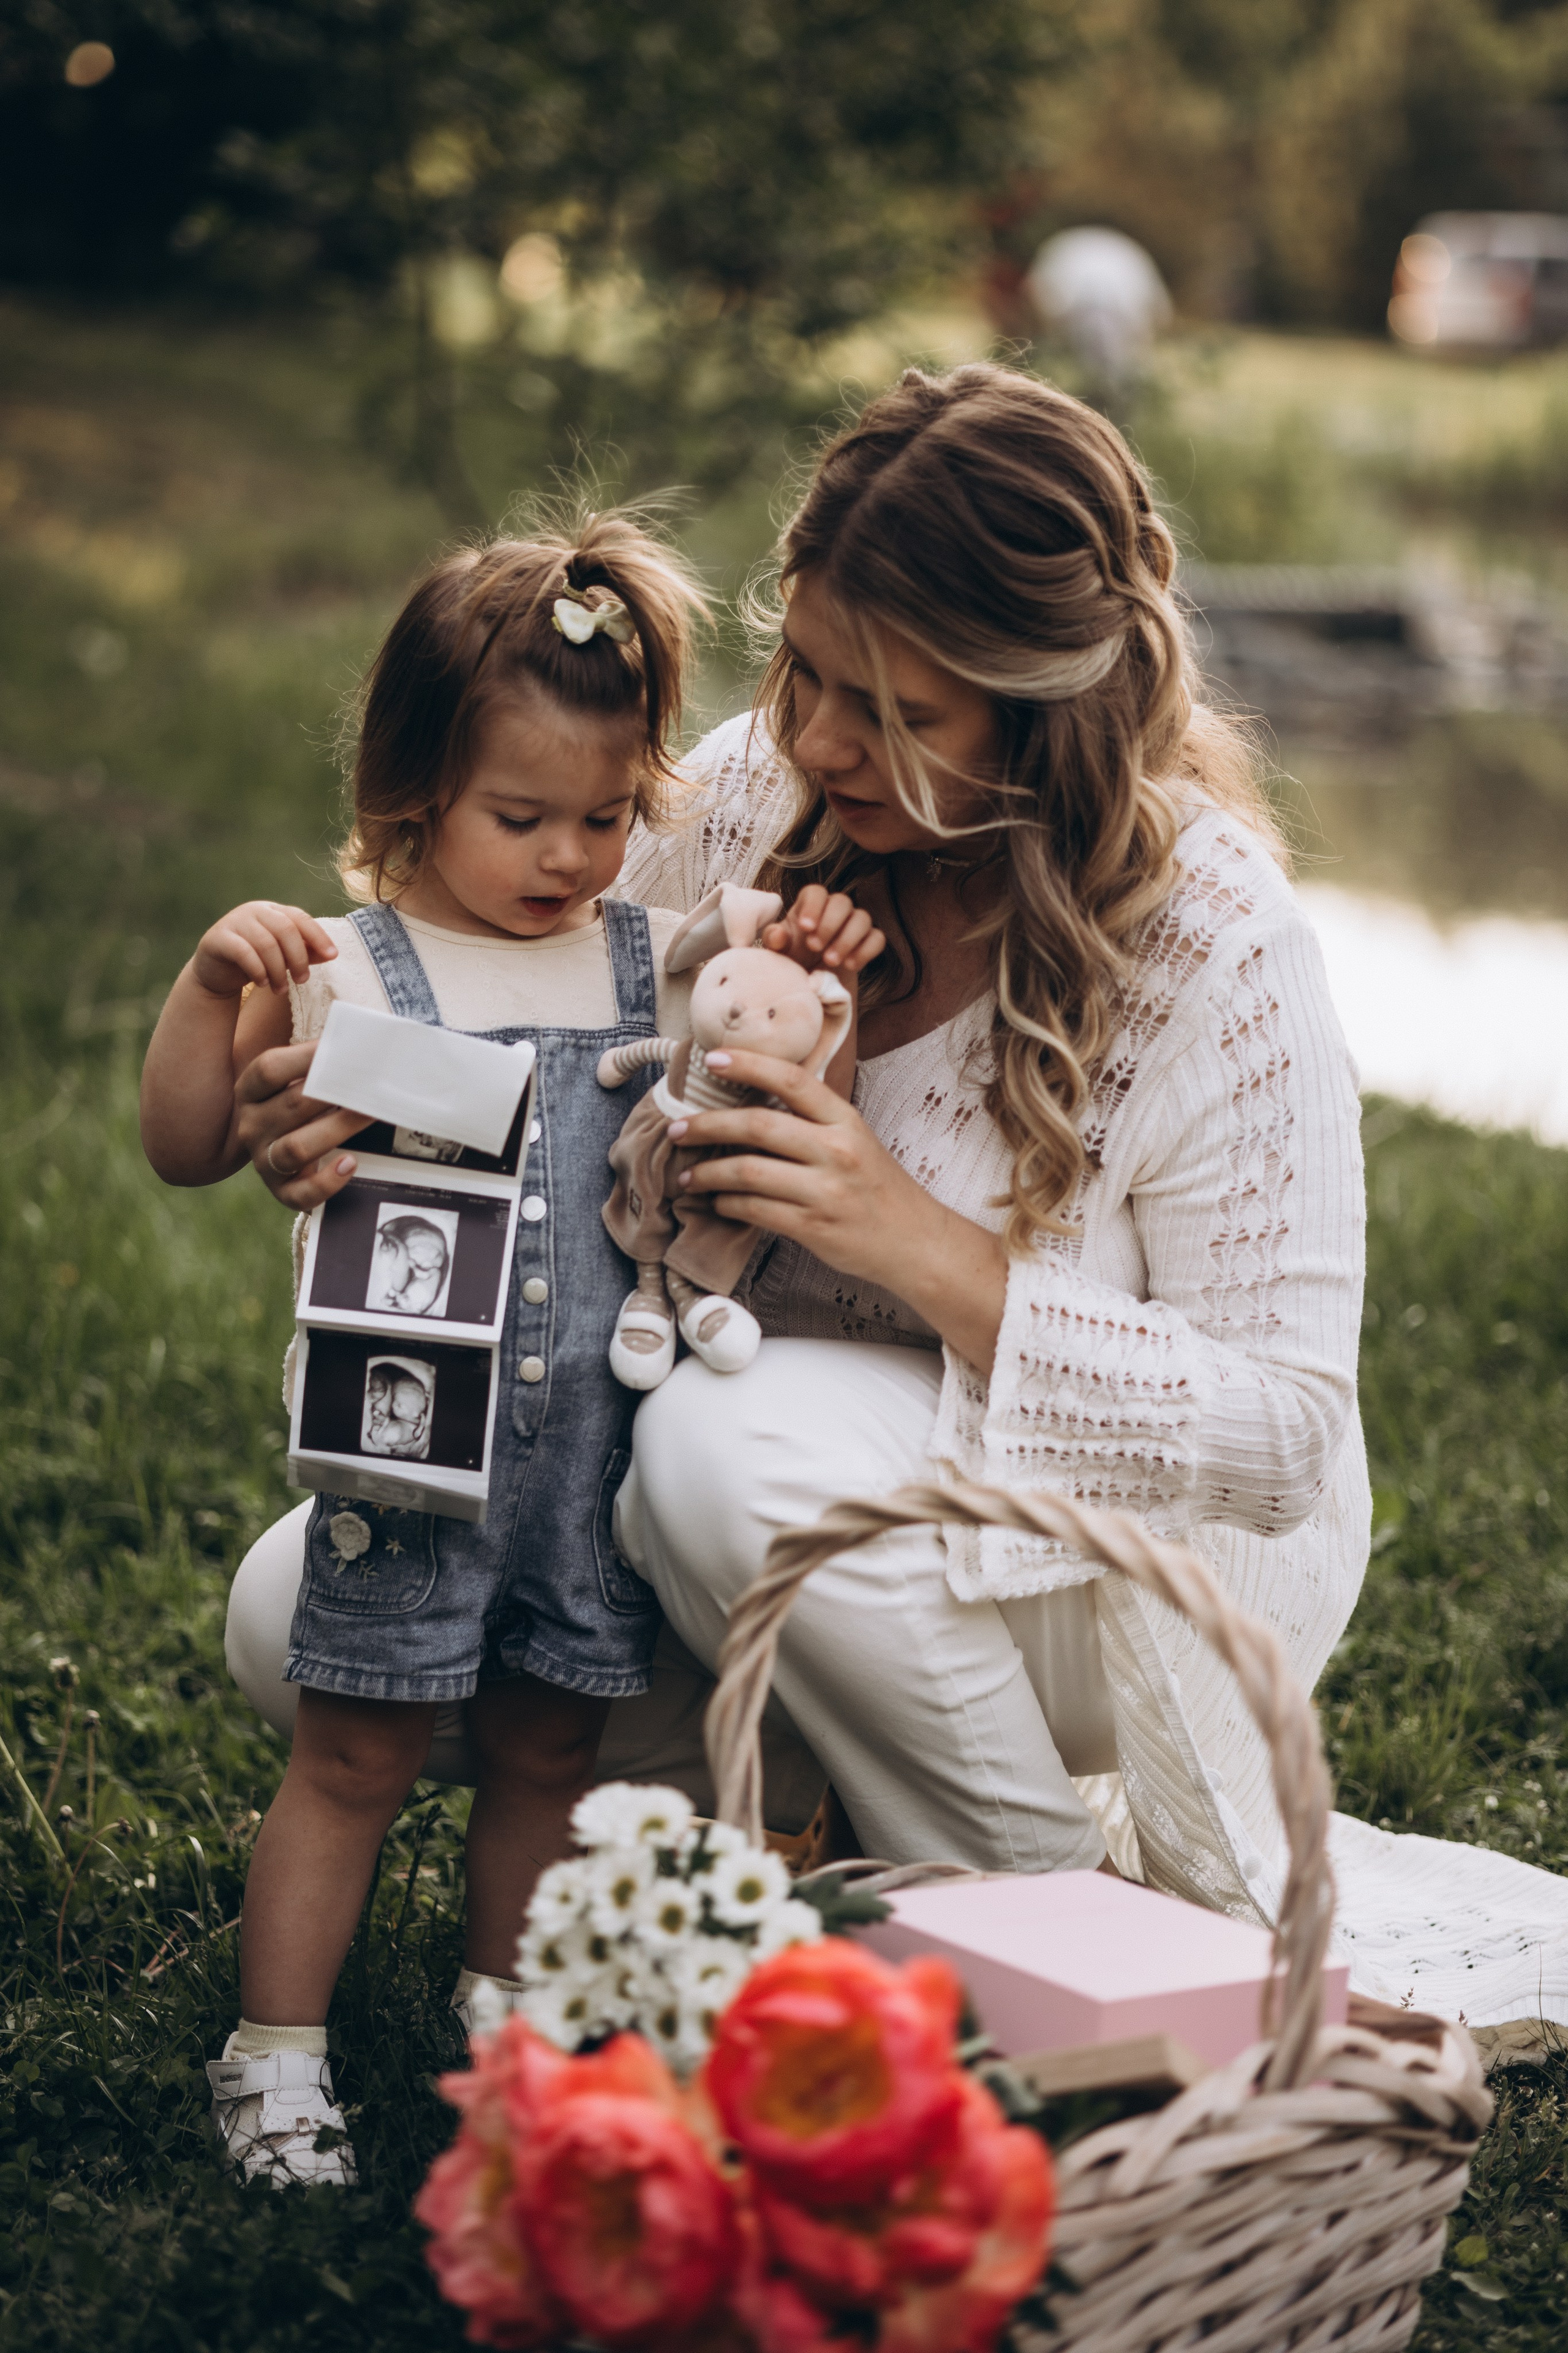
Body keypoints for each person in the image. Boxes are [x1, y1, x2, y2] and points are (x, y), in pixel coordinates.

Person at [228, 366, 1568, 2056]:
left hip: (1120, 1578)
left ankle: (1051, 1912)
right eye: (804, 670)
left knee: (739, 1445)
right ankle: (811, 1814)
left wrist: (909, 1238)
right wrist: (346, 1112)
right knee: (304, 1618)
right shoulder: (746, 797)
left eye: (900, 713)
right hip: (737, 1502)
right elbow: (533, 1028)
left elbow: (1285, 1438)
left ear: (1042, 709)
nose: (818, 740)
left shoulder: (1219, 944)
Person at [140, 511, 881, 2186]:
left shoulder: (645, 961)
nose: (572, 853)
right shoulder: (352, 969)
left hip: (589, 1468)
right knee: (354, 1752)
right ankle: (274, 2055)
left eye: (610, 814)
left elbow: (768, 1058)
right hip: (405, 1451)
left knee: (547, 1745)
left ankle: (512, 2023)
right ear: (412, 793)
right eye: (522, 816)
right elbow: (188, 1144)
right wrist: (208, 990)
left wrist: (807, 961)